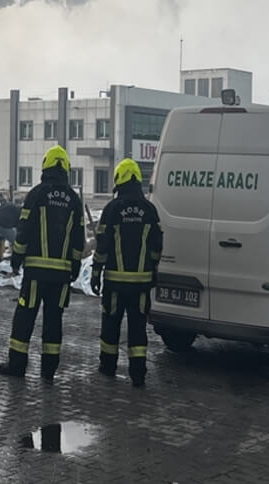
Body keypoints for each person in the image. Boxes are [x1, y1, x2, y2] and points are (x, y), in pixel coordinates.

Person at [0, 145, 84, 380]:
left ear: (46, 166)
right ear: (65, 168)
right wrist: (75, 266)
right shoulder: (74, 200)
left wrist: (16, 258)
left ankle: (17, 366)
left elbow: (24, 230)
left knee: (25, 316)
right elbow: (79, 238)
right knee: (53, 320)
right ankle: (49, 370)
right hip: (61, 276)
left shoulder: (36, 194)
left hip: (35, 272)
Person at [91, 158, 164, 386]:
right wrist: (151, 268)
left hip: (115, 282)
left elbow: (101, 245)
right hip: (141, 283)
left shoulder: (112, 210)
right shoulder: (149, 210)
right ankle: (138, 373)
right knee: (138, 327)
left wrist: (96, 271)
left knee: (111, 325)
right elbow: (157, 246)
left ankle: (108, 366)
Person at [0, 190, 20, 262]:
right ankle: (18, 262)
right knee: (17, 243)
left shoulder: (11, 206)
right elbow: (18, 225)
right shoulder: (20, 212)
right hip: (4, 223)